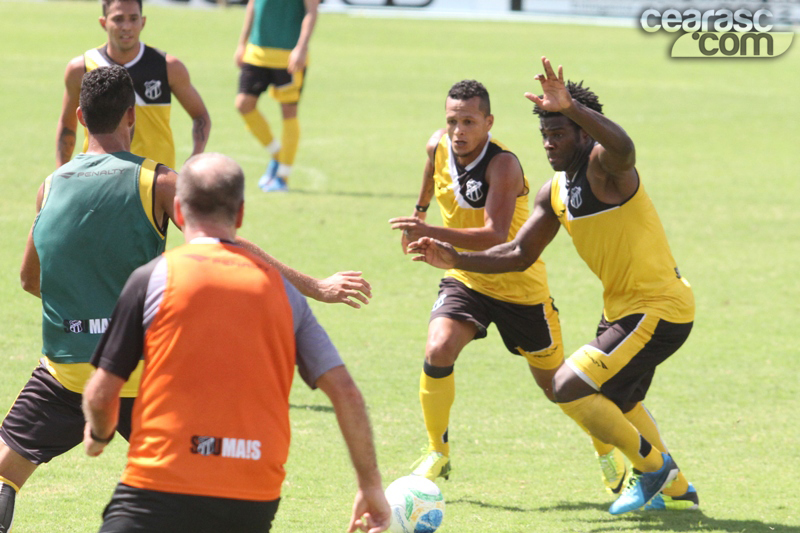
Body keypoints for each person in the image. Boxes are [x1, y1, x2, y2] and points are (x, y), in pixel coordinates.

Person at [0, 65, 372, 533]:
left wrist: (84, 312)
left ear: (80, 115)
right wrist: (316, 286)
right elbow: (226, 247)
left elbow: (29, 279)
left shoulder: (49, 187)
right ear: (131, 117)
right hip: (151, 378)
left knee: (4, 472)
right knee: (196, 492)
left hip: (68, 370)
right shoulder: (158, 182)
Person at [408, 57, 698, 515]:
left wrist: (575, 109)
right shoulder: (554, 190)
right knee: (621, 400)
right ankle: (680, 494)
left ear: (584, 134)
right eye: (545, 134)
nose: (549, 143)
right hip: (624, 310)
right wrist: (455, 259)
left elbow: (625, 147)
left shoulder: (607, 167)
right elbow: (518, 253)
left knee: (566, 385)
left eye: (559, 133)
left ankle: (652, 467)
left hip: (657, 307)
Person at [81, 153, 390, 533]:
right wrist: (370, 484)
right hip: (252, 498)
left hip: (160, 487)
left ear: (178, 209)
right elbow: (347, 394)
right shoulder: (284, 293)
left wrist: (99, 434)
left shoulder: (153, 278)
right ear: (240, 215)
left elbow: (100, 395)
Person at [388, 80, 564, 482]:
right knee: (438, 347)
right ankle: (437, 451)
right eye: (453, 121)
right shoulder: (438, 146)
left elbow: (495, 235)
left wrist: (432, 231)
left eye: (469, 121)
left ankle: (607, 449)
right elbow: (431, 173)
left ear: (488, 122)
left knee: (559, 388)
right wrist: (417, 214)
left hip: (518, 285)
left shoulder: (503, 165)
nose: (459, 131)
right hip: (465, 276)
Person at [56, 0, 211, 170]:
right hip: (101, 177)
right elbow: (67, 126)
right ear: (103, 23)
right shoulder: (81, 68)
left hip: (155, 182)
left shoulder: (167, 66)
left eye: (133, 18)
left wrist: (194, 160)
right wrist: (60, 176)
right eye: (118, 19)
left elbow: (200, 116)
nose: (127, 26)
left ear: (143, 22)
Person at [234, 0, 319, 192]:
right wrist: (242, 43)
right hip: (256, 53)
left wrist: (302, 47)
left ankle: (282, 177)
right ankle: (277, 154)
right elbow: (252, 5)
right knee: (243, 104)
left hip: (288, 56)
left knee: (289, 112)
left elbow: (312, 11)